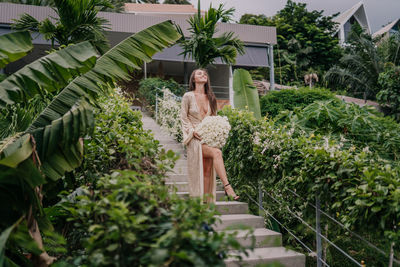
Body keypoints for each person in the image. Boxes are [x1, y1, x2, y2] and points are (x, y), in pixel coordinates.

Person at [180, 68, 239, 203]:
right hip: (194, 138)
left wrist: (216, 132)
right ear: (193, 79)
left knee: (207, 171)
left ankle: (205, 204)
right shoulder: (188, 96)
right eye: (199, 73)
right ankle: (227, 186)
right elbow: (183, 117)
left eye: (205, 73)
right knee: (217, 153)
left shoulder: (211, 97)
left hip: (208, 137)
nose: (204, 75)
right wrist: (191, 131)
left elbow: (214, 118)